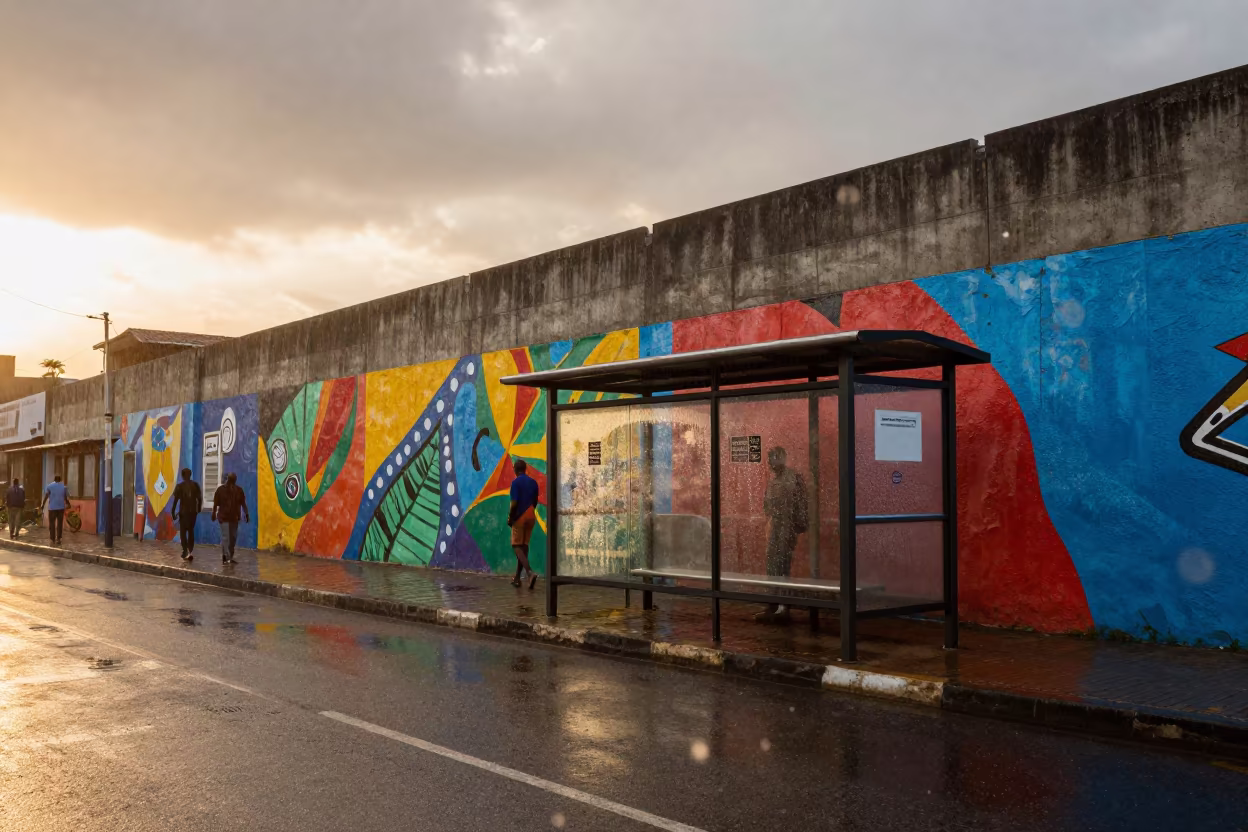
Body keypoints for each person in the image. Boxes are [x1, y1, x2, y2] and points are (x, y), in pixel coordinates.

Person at [756, 446, 808, 622]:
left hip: (787, 526)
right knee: (772, 565)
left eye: (774, 458)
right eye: (770, 458)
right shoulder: (772, 481)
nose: (771, 462)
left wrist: (798, 526)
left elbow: (801, 504)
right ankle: (772, 603)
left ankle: (784, 606)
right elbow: (767, 506)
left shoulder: (793, 478)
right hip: (775, 526)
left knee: (783, 565)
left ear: (783, 458)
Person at [507, 459, 540, 589]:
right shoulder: (533, 483)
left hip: (520, 515)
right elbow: (535, 501)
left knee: (516, 545)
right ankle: (517, 578)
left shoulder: (515, 483)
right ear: (525, 469)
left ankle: (529, 572)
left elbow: (514, 503)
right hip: (531, 514)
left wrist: (511, 517)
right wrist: (530, 511)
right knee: (524, 545)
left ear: (515, 470)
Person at [211, 472, 250, 565]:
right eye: (231, 479)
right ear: (228, 479)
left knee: (233, 538)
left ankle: (229, 557)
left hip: (234, 518)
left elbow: (243, 503)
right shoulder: (220, 490)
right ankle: (226, 557)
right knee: (226, 538)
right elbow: (215, 504)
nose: (232, 482)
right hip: (223, 517)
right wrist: (213, 513)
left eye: (234, 480)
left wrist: (246, 514)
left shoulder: (239, 490)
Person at [170, 468, 202, 561]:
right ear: (190, 475)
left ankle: (185, 551)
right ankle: (190, 550)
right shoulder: (195, 485)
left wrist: (173, 512)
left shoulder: (179, 486)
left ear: (183, 476)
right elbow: (199, 499)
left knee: (183, 532)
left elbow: (175, 501)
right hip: (193, 513)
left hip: (183, 513)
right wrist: (198, 509)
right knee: (191, 531)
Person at [42, 475, 70, 545]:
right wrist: (68, 503)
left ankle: (52, 538)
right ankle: (59, 538)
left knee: (52, 523)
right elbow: (65, 497)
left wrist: (42, 504)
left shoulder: (49, 486)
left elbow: (46, 496)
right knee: (60, 524)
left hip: (52, 508)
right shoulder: (64, 487)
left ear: (54, 479)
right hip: (61, 508)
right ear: (60, 480)